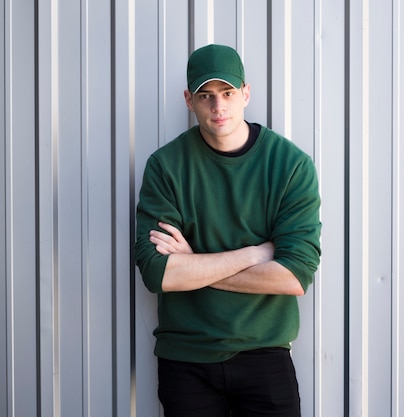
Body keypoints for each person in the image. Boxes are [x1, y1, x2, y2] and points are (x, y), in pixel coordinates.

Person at [134, 44, 321, 417]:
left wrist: (193, 265)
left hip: (264, 353)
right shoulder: (166, 167)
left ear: (245, 94)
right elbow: (158, 273)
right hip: (186, 359)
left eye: (227, 93)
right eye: (205, 96)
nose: (218, 107)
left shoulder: (289, 165)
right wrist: (255, 253)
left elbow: (293, 277)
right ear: (189, 100)